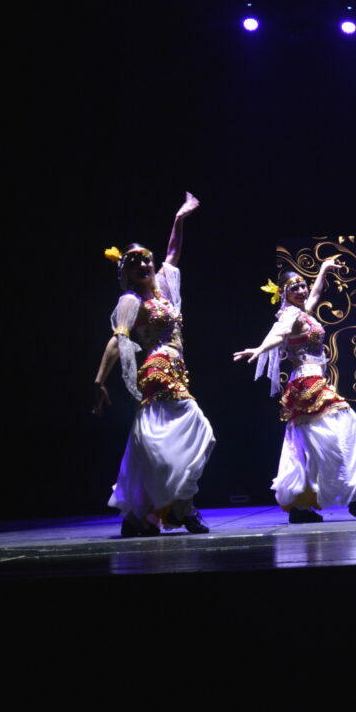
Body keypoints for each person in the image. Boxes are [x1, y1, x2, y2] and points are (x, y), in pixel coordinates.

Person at [94, 192, 215, 536]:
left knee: (159, 444)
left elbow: (173, 252)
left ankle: (145, 513)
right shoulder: (131, 300)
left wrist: (179, 218)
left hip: (176, 371)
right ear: (128, 273)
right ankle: (182, 507)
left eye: (147, 260)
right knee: (198, 432)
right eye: (137, 264)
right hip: (157, 370)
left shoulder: (163, 288)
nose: (145, 266)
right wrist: (99, 380)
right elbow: (118, 338)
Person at [233, 258, 356, 522]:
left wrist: (323, 269)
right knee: (325, 443)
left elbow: (315, 294)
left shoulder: (304, 312)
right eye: (295, 288)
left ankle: (302, 505)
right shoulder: (291, 316)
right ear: (284, 294)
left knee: (312, 446)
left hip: (313, 381)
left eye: (302, 285)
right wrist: (260, 348)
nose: (302, 291)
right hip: (306, 382)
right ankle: (340, 496)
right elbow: (279, 335)